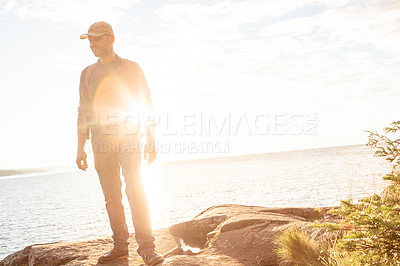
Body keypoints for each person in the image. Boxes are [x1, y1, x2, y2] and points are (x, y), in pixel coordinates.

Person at [75, 21, 164, 266]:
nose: (92, 44)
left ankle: (147, 247)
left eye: (97, 39)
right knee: (112, 198)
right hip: (100, 144)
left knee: (135, 189)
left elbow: (146, 102)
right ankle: (120, 247)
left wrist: (151, 138)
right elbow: (84, 111)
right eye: (89, 40)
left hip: (129, 137)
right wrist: (80, 147)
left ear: (111, 39)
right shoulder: (87, 74)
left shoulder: (131, 68)